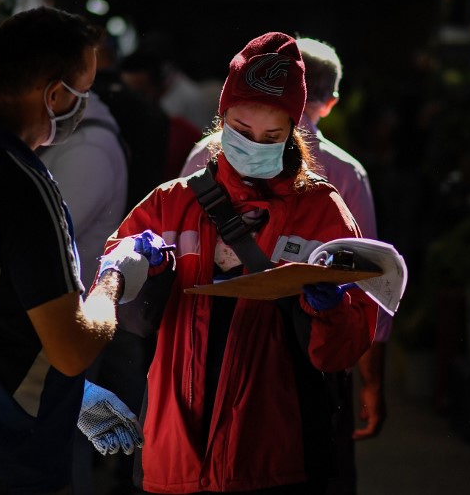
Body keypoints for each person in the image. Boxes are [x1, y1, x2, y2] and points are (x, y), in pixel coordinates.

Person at [106, 31, 379, 494]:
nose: (255, 144)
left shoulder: (323, 211)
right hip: (174, 456)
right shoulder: (171, 204)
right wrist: (134, 271)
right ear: (221, 119)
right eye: (241, 130)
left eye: (272, 135)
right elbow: (111, 301)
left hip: (275, 458)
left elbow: (343, 351)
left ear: (294, 129)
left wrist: (330, 310)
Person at [0, 7, 150, 494]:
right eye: (84, 89)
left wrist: (69, 397)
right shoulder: (22, 184)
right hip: (4, 462)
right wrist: (114, 279)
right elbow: (73, 348)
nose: (85, 103)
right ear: (55, 95)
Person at [0, 42, 135, 495]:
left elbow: (28, 245)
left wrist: (112, 281)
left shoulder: (91, 151)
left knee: (63, 454)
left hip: (63, 327)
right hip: (48, 326)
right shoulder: (70, 144)